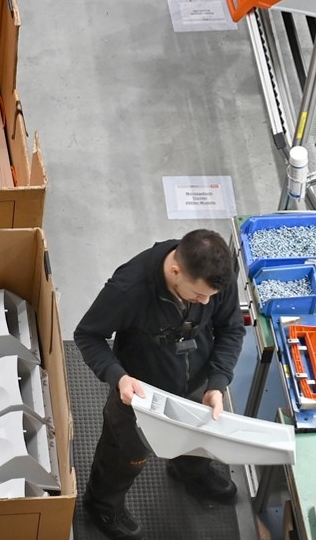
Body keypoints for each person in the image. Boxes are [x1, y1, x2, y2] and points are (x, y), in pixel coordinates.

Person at [74, 229, 245, 539]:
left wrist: (217, 382)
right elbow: (87, 335)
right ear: (176, 271)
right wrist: (118, 377)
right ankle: (103, 505)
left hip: (198, 383)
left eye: (211, 296)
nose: (206, 302)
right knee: (126, 453)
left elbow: (231, 329)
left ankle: (189, 470)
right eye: (198, 295)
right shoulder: (129, 289)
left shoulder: (217, 274)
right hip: (140, 394)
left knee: (196, 436)